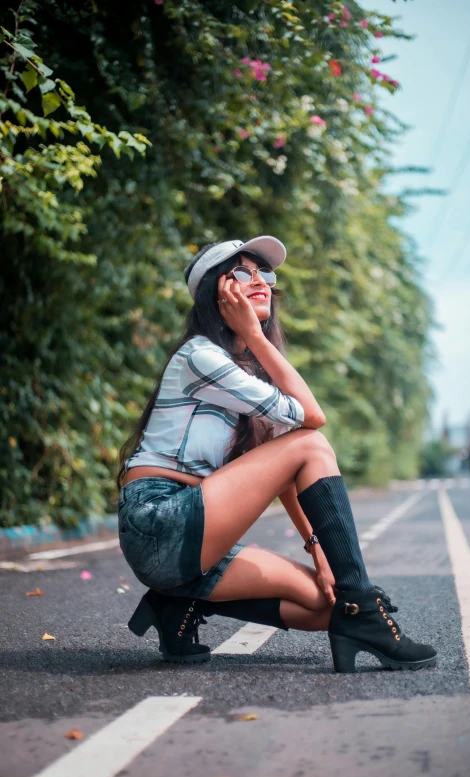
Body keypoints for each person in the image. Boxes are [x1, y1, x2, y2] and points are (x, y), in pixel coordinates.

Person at [117, 237, 437, 673]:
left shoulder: (240, 373)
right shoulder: (202, 357)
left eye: (265, 273)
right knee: (310, 443)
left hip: (197, 539)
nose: (261, 281)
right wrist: (253, 334)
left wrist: (320, 553)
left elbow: (286, 468)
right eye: (242, 273)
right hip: (161, 520)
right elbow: (312, 420)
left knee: (328, 607)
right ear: (217, 292)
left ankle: (175, 604)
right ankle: (364, 605)